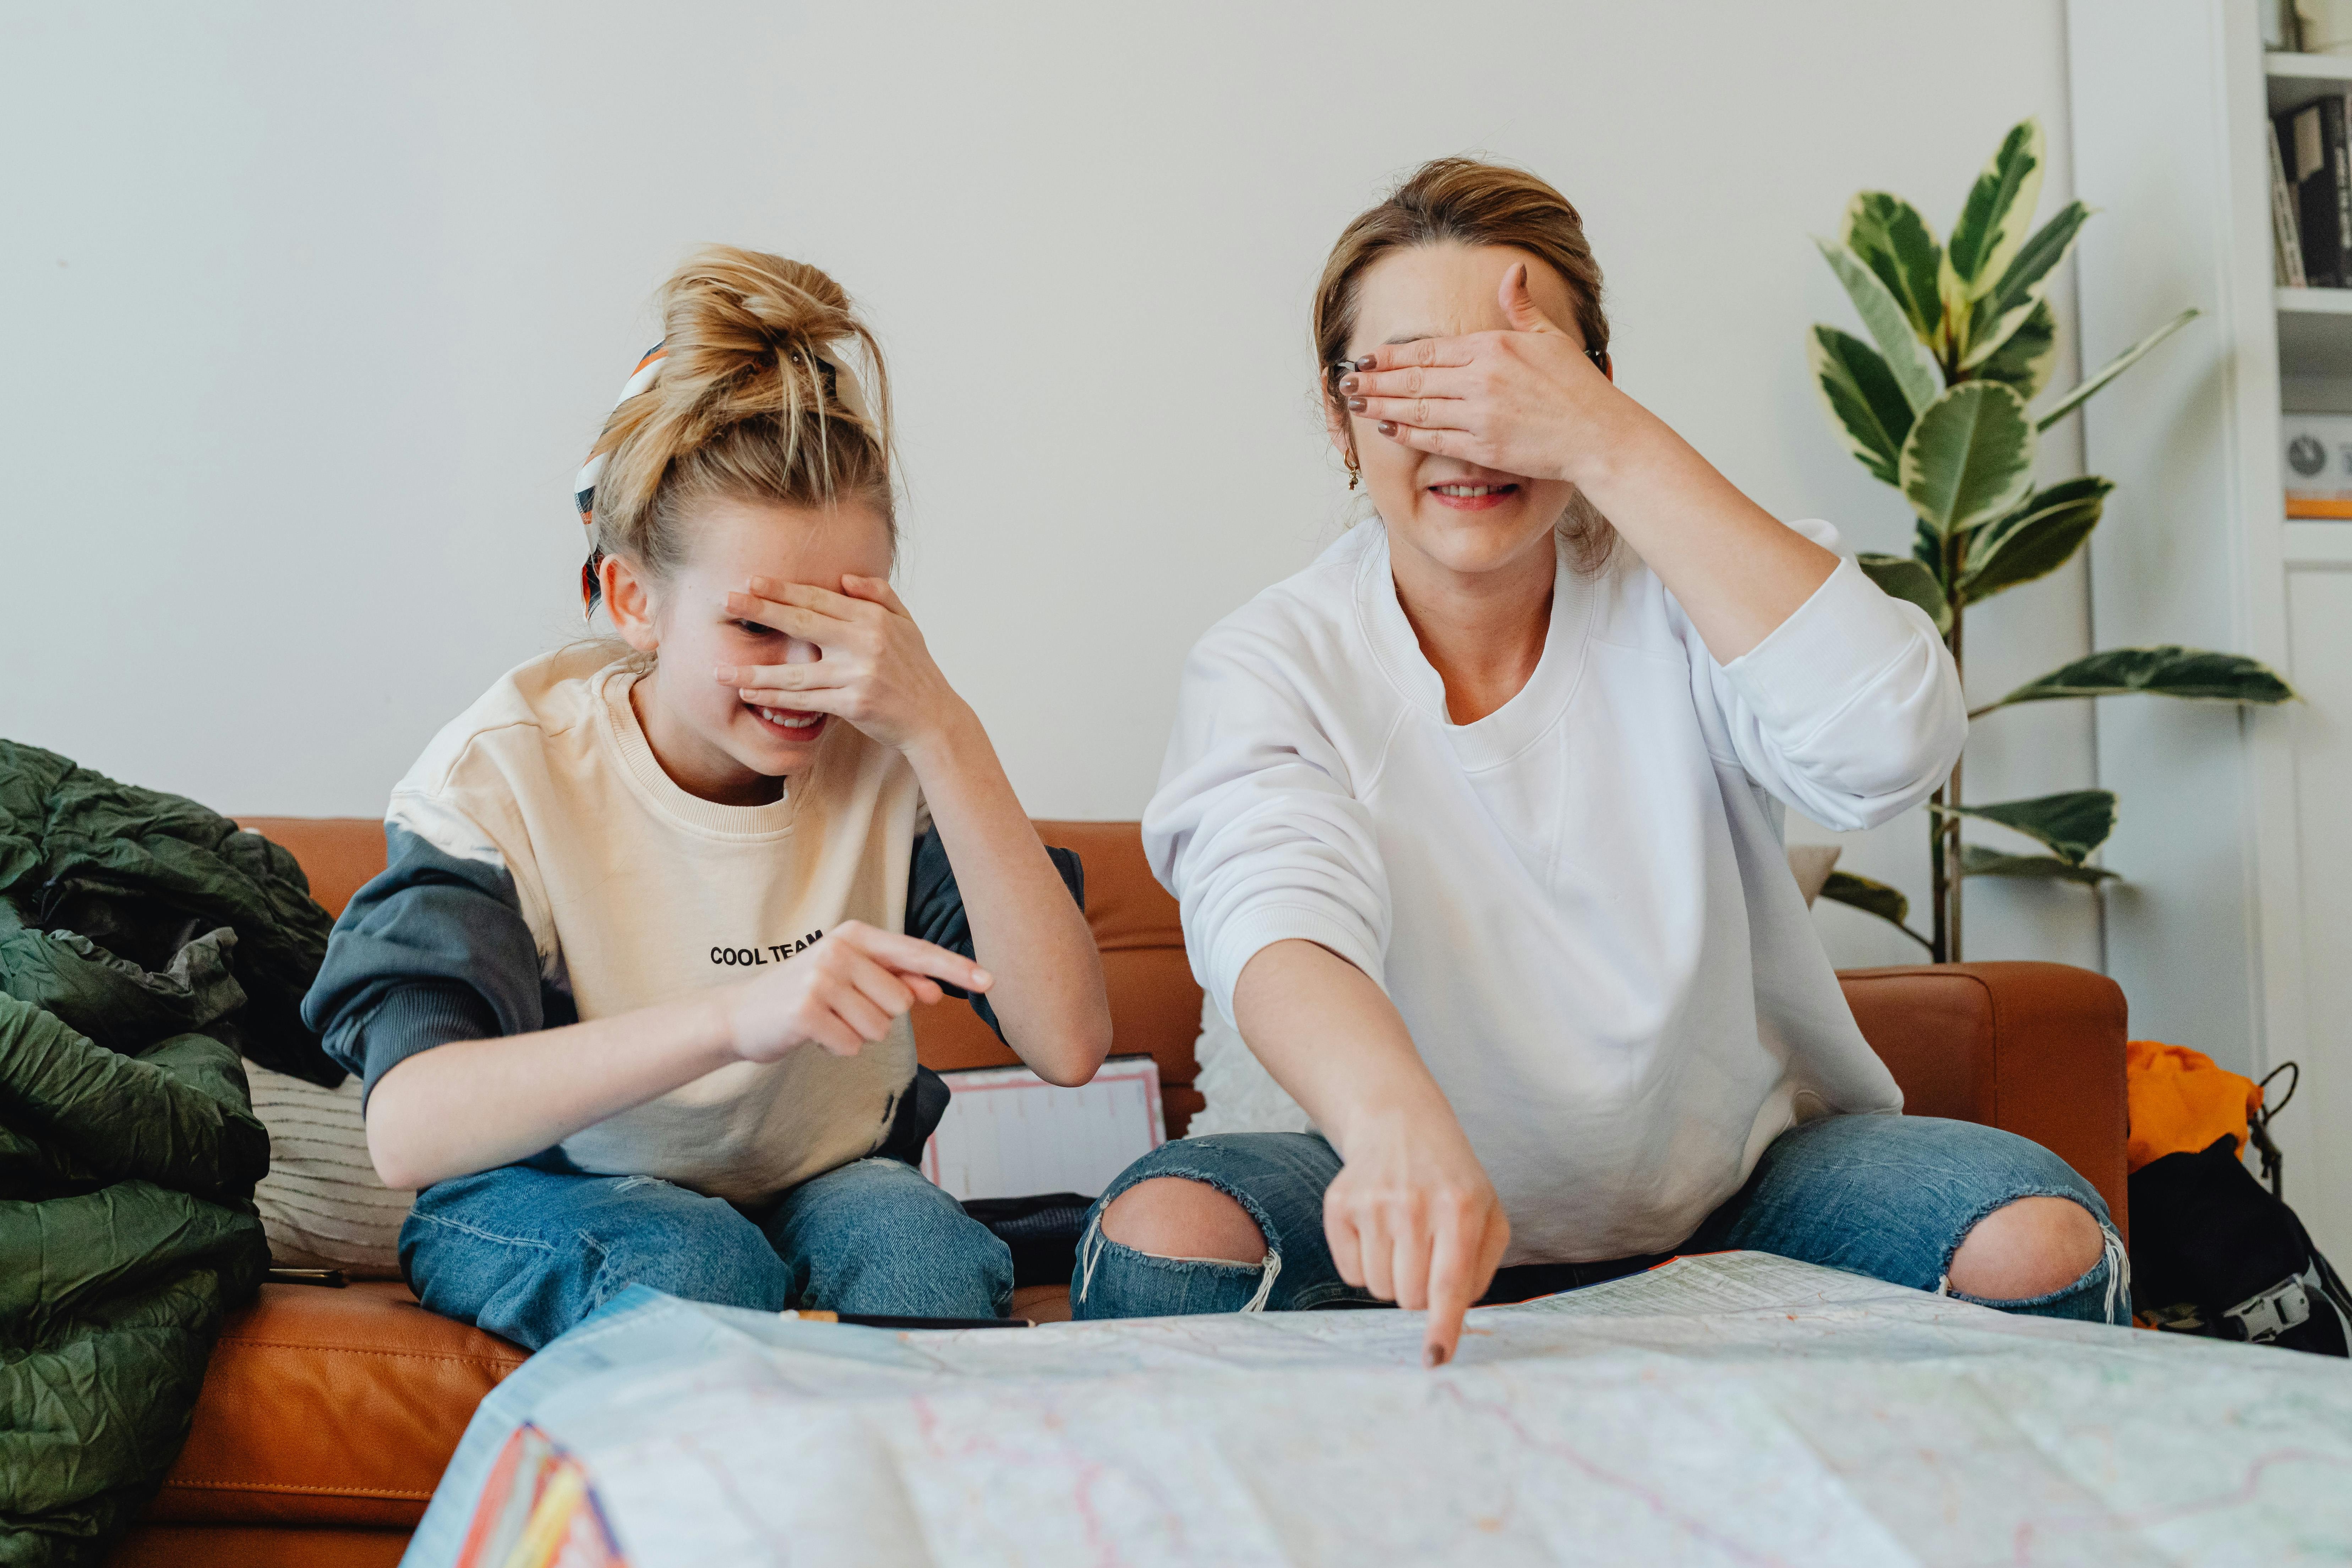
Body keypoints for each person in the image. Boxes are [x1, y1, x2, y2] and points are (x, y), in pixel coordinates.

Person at [1074, 159, 2124, 1366]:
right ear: (1337, 412)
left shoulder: (1685, 582)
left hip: (1733, 1188)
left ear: (1594, 387)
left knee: (2037, 1241)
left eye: (1513, 380)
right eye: (1414, 381)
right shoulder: (1274, 657)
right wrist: (1393, 1126)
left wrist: (1608, 445)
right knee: (1165, 1238)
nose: (1471, 429)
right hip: (1360, 1174)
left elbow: (1887, 745)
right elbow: (1271, 909)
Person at [305, 246, 1111, 1349]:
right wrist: (739, 1016)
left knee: (922, 1260)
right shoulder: (505, 770)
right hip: (548, 1185)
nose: (805, 672)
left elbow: (1067, 1041)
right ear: (633, 598)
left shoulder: (892, 749)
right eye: (756, 626)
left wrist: (944, 728)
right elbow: (408, 1125)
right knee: (694, 1265)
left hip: (821, 1179)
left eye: (845, 621)